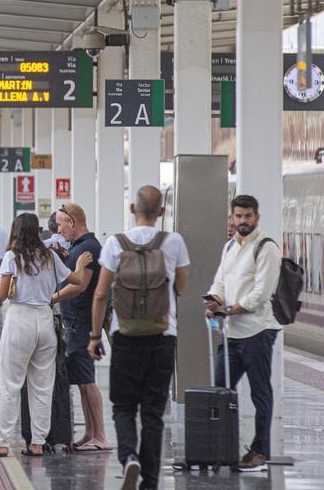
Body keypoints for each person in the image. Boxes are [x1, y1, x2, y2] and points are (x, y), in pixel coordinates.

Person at [89, 186, 190, 490]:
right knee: (153, 413)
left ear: (133, 208)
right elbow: (181, 287)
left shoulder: (115, 244)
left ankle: (129, 456)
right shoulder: (173, 242)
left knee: (123, 406)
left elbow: (101, 294)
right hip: (163, 335)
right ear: (161, 212)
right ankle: (150, 482)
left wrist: (95, 336)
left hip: (126, 335)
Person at [0, 213, 92, 458]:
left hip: (20, 319)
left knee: (10, 384)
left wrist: (4, 281)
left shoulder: (12, 257)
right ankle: (37, 443)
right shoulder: (50, 256)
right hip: (45, 319)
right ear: (38, 232)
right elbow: (77, 279)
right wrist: (80, 264)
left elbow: (0, 294)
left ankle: (1, 443)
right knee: (42, 385)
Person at [204, 194, 282, 472]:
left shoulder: (266, 248)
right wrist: (214, 299)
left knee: (260, 392)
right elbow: (220, 280)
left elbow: (261, 294)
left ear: (256, 217)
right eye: (238, 216)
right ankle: (222, 447)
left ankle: (261, 451)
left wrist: (231, 309)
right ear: (232, 217)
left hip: (258, 331)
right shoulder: (230, 247)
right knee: (220, 389)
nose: (242, 221)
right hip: (232, 331)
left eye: (247, 216)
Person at [53, 203, 107, 452]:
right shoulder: (77, 248)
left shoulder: (89, 248)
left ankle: (101, 436)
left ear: (73, 222)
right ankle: (90, 432)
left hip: (82, 322)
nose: (58, 228)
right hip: (74, 321)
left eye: (62, 223)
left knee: (87, 381)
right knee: (81, 380)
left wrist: (51, 299)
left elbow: (80, 285)